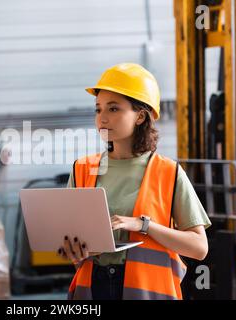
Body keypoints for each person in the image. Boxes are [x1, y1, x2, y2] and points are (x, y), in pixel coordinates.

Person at [57, 63, 211, 300]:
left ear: (140, 116)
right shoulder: (82, 169)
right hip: (92, 289)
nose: (102, 118)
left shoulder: (168, 172)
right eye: (98, 110)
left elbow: (199, 248)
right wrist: (73, 250)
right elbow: (70, 238)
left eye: (114, 109)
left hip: (148, 291)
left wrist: (144, 225)